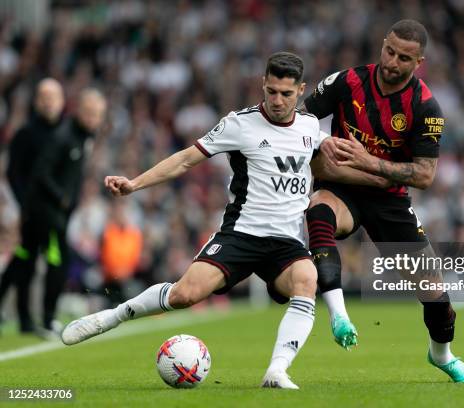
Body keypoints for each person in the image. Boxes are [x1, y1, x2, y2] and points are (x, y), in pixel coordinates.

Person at [61, 52, 384, 389]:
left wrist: (381, 177)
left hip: (286, 243)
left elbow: (332, 163)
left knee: (307, 279)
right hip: (240, 235)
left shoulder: (310, 129)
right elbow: (186, 160)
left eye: (286, 94)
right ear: (263, 84)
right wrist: (135, 184)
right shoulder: (239, 124)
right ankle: (111, 317)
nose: (277, 100)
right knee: (184, 295)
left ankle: (277, 370)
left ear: (301, 90)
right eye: (271, 91)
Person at [302, 20, 464, 382]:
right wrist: (320, 142)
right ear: (383, 44)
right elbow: (299, 119)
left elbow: (426, 175)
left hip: (390, 202)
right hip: (341, 187)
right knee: (318, 208)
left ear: (419, 63)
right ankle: (338, 314)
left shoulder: (426, 107)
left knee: (435, 296)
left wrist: (368, 161)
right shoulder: (346, 81)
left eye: (404, 58)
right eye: (390, 51)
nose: (392, 62)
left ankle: (442, 356)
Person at [1, 88, 107, 338]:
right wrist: (59, 199)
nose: (92, 119)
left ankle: (29, 320)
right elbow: (33, 173)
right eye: (89, 113)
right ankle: (47, 319)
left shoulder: (78, 135)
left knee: (24, 258)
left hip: (48, 211)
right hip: (42, 211)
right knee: (56, 261)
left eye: (97, 115)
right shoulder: (53, 135)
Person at [0, 78, 65, 333]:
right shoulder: (26, 133)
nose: (49, 103)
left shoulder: (65, 133)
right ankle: (29, 318)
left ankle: (42, 316)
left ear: (61, 101)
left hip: (55, 212)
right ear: (37, 101)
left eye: (53, 97)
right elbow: (14, 173)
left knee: (31, 259)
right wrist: (24, 204)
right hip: (31, 211)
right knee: (27, 260)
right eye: (44, 97)